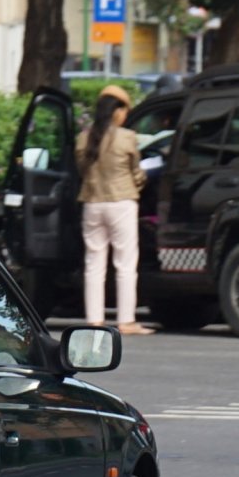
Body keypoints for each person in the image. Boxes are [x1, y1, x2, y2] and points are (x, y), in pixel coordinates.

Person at [77, 84, 151, 335]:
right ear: (117, 111)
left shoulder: (84, 138)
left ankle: (94, 320)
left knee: (94, 264)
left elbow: (81, 171)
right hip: (121, 203)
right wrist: (140, 182)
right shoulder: (126, 137)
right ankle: (126, 321)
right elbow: (137, 172)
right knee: (125, 264)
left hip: (92, 203)